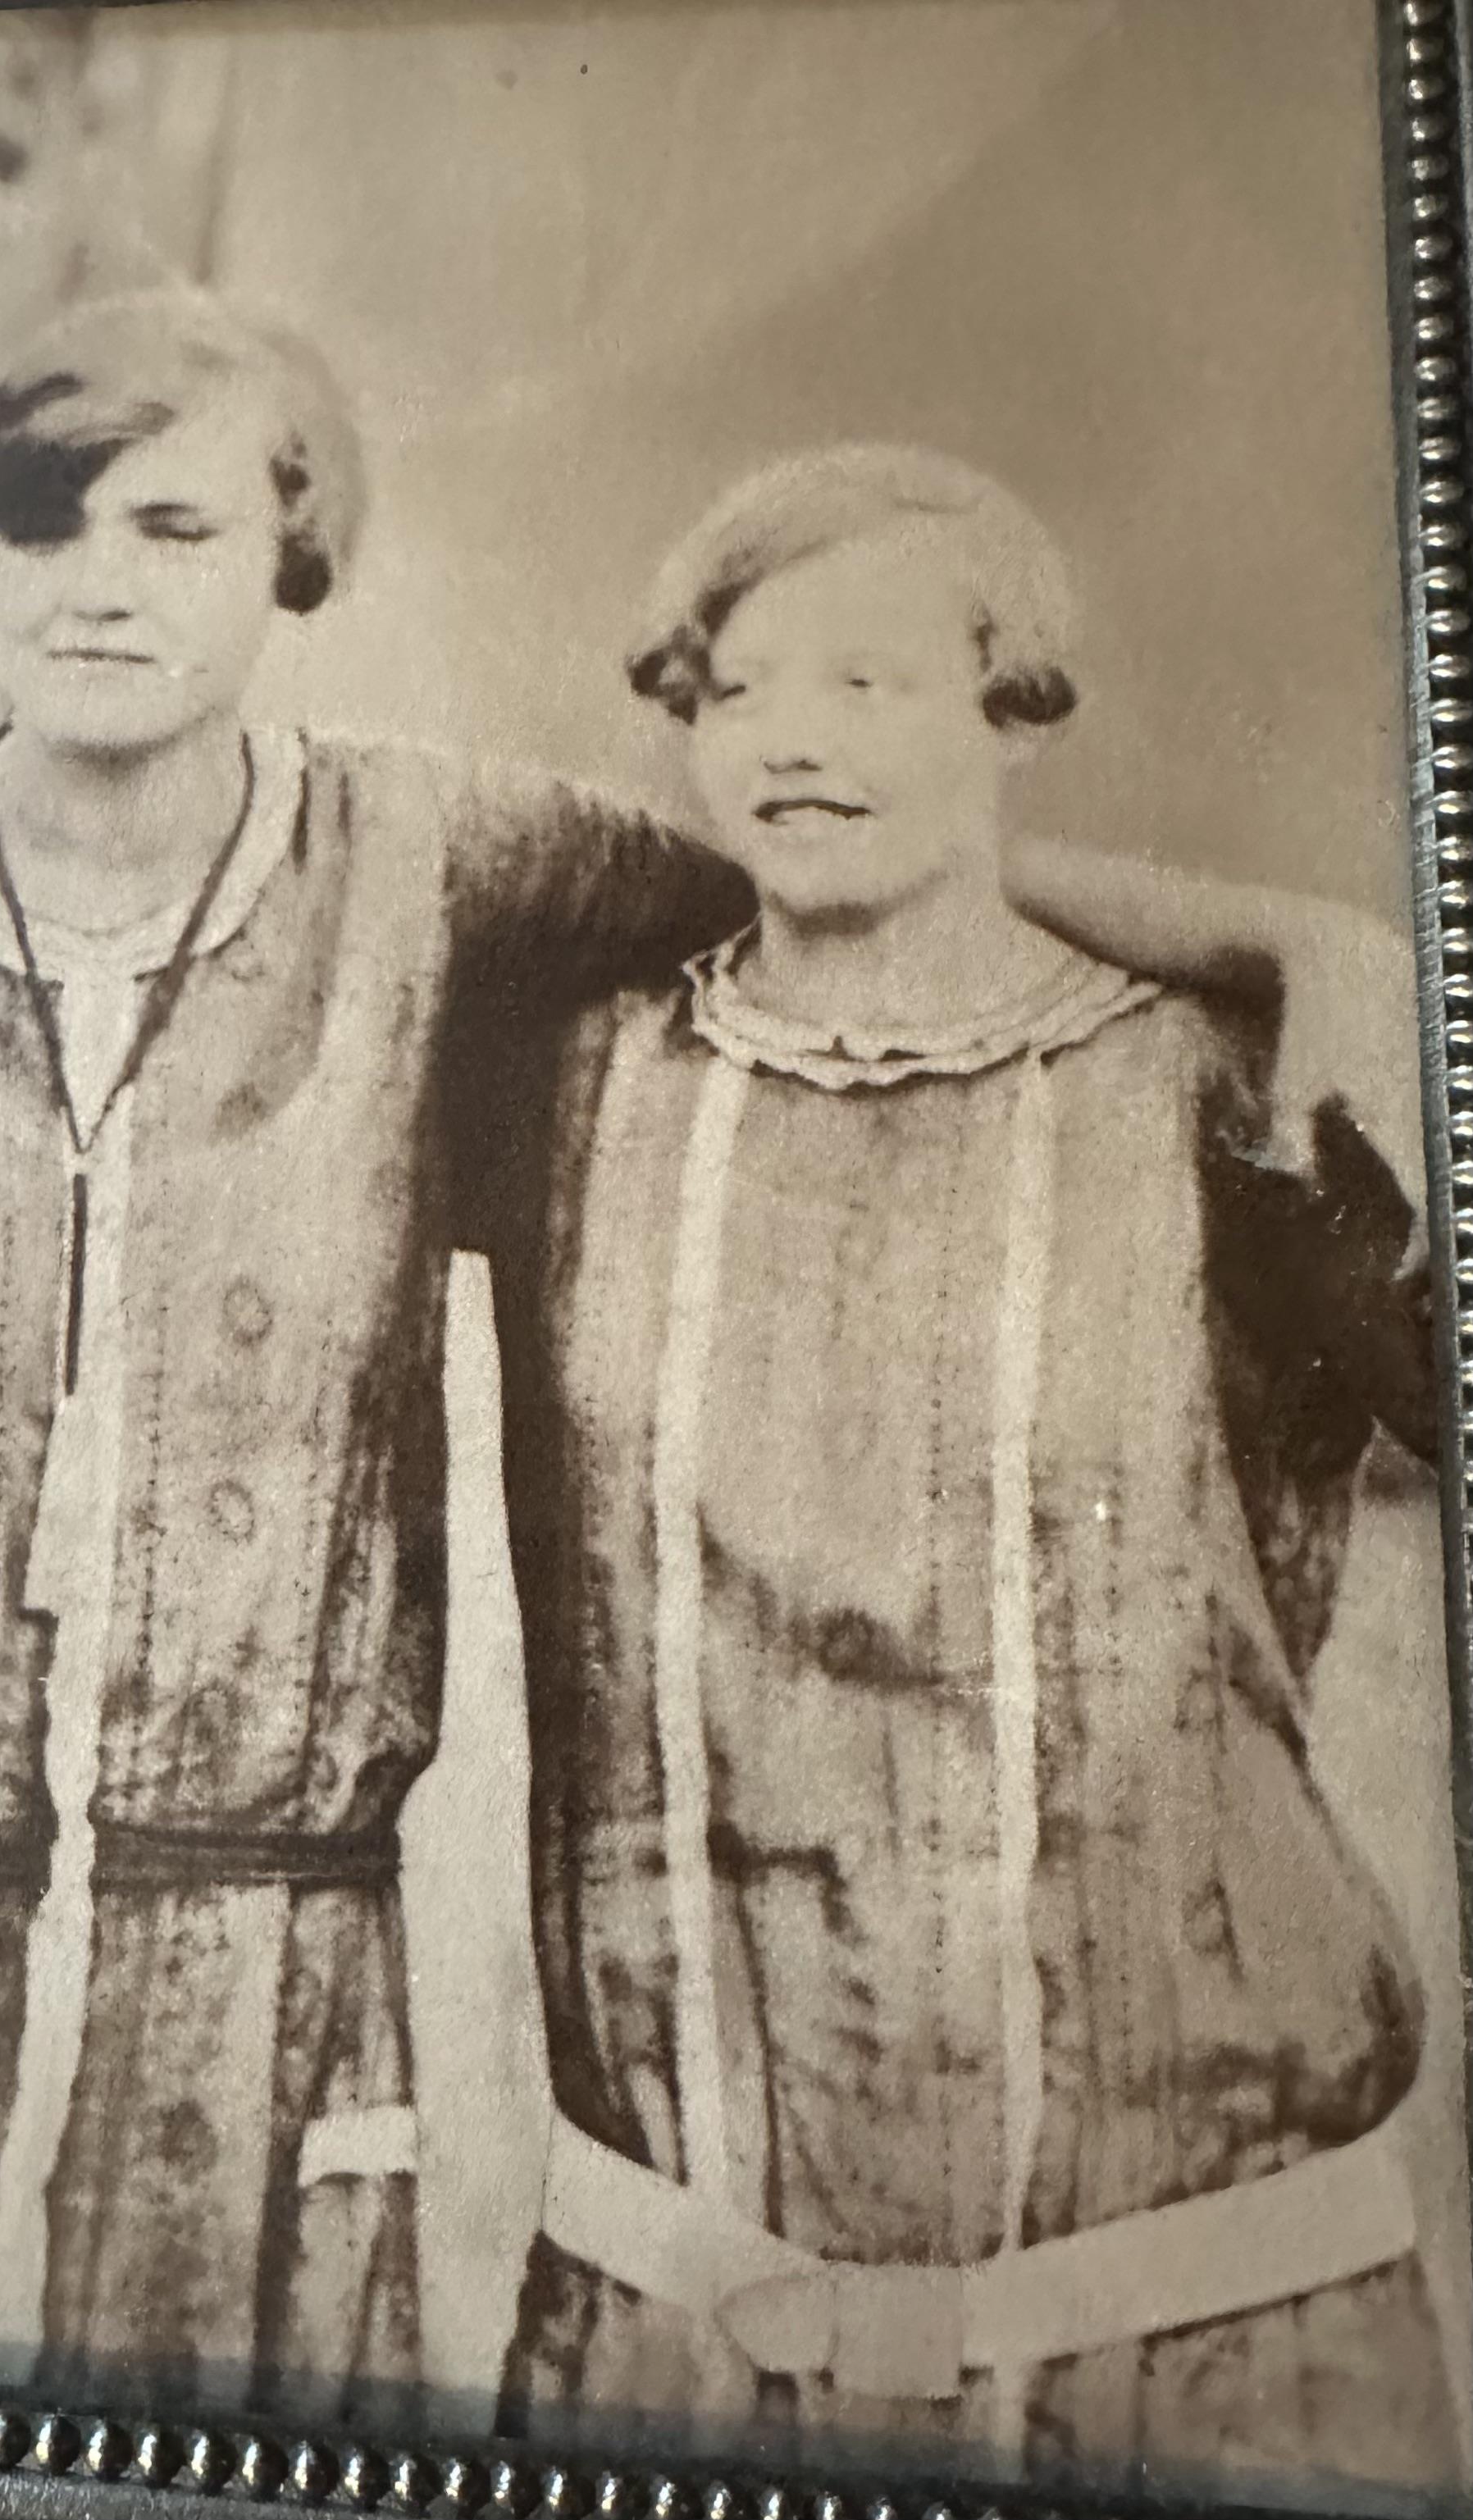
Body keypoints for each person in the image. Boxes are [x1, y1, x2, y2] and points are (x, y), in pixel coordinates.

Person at [0, 284, 752, 2413]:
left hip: (259, 1953)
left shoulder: (433, 855)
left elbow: (800, 883)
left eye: (170, 528)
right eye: (41, 523)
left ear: (291, 550)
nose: (96, 585)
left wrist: (1248, 944)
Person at [478, 446, 1458, 2488]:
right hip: (677, 2320)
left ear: (1015, 710)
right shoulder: (566, 1085)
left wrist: (1328, 959)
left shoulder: (1229, 1097)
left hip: (1199, 2336)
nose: (790, 742)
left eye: (869, 684)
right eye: (735, 690)